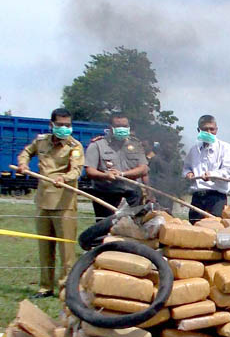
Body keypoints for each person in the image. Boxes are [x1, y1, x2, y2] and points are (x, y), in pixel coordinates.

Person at [16, 108, 84, 298]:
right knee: (45, 247)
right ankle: (45, 286)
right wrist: (23, 164)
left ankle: (66, 288)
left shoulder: (74, 146)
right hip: (43, 201)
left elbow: (77, 170)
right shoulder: (41, 141)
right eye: (60, 125)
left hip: (64, 203)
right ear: (51, 124)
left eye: (68, 125)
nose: (64, 128)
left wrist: (65, 177)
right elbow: (26, 152)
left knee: (66, 249)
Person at [85, 112, 148, 220]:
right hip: (106, 195)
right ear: (111, 127)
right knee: (105, 230)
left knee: (133, 229)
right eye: (118, 126)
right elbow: (90, 170)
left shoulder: (136, 145)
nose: (122, 129)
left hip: (132, 195)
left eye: (125, 126)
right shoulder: (97, 145)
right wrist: (105, 175)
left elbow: (143, 169)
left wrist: (123, 174)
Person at [182, 115, 230, 223]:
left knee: (214, 228)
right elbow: (186, 168)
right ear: (198, 130)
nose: (209, 132)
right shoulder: (194, 150)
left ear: (216, 130)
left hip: (216, 197)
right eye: (205, 130)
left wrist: (212, 175)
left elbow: (228, 172)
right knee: (194, 229)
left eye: (212, 129)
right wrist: (188, 173)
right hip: (198, 197)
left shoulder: (225, 148)